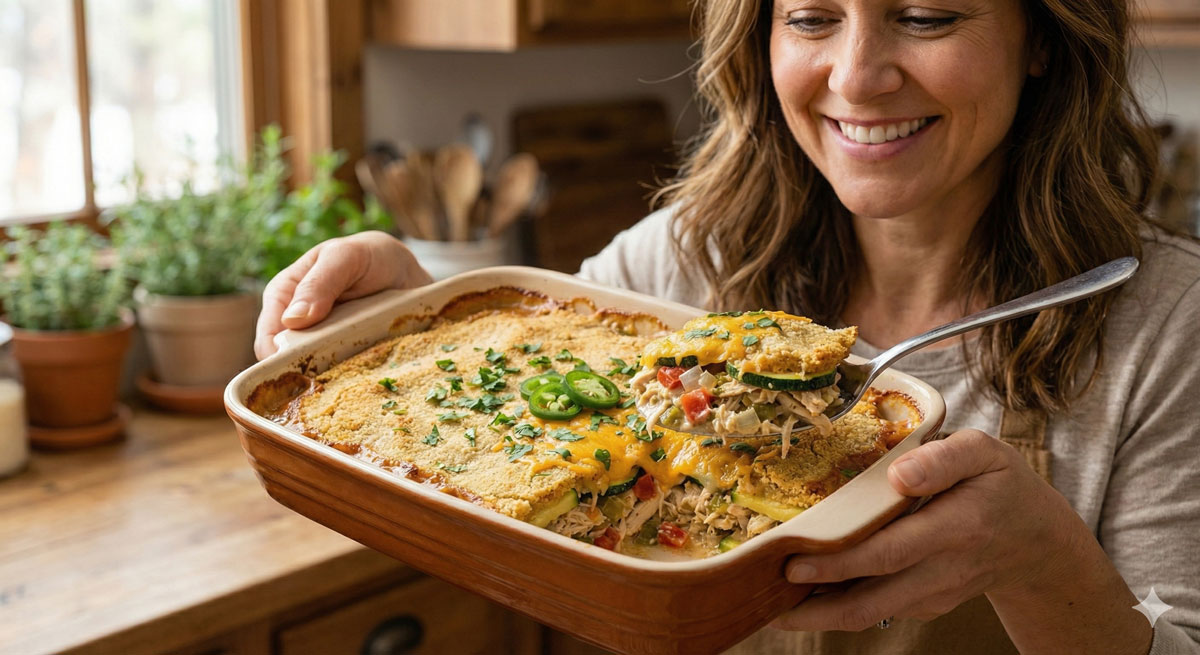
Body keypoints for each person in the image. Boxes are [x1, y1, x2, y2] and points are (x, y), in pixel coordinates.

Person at [255, 0, 1200, 652]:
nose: (858, 75)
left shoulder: (1169, 326)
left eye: (926, 15)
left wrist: (1041, 561)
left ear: (1042, 35)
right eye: (810, 17)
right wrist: (412, 313)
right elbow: (532, 396)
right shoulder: (682, 256)